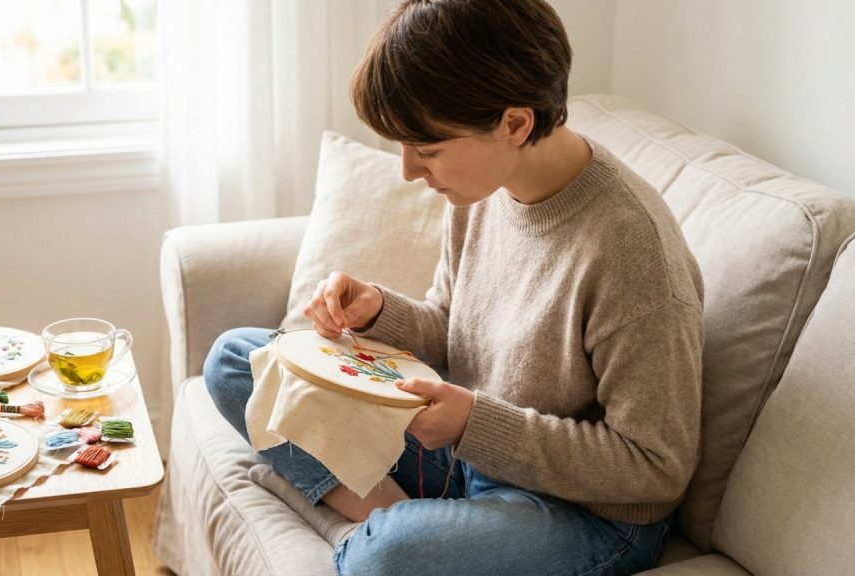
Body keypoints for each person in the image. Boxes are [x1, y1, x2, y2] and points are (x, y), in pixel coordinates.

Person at [203, 0, 704, 574]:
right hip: (464, 453)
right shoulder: (485, 188)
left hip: (578, 510)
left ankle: (373, 530)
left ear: (515, 124)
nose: (408, 171)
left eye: (428, 150)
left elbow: (654, 466)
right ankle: (392, 520)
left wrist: (474, 424)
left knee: (383, 559)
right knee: (238, 361)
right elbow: (452, 328)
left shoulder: (634, 253)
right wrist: (376, 310)